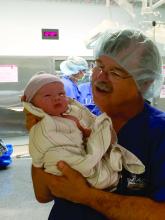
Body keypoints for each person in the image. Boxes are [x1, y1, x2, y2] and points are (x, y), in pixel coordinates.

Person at [27, 29, 165, 220]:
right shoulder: (79, 118)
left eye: (115, 72)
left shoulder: (158, 133)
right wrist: (40, 134)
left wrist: (87, 196)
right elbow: (42, 194)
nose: (100, 77)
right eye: (99, 66)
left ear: (145, 82)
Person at [22, 72, 144, 188]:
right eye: (47, 95)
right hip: (61, 160)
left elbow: (84, 131)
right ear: (32, 103)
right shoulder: (42, 125)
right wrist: (38, 163)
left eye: (61, 94)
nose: (56, 98)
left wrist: (92, 133)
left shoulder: (73, 115)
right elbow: (42, 193)